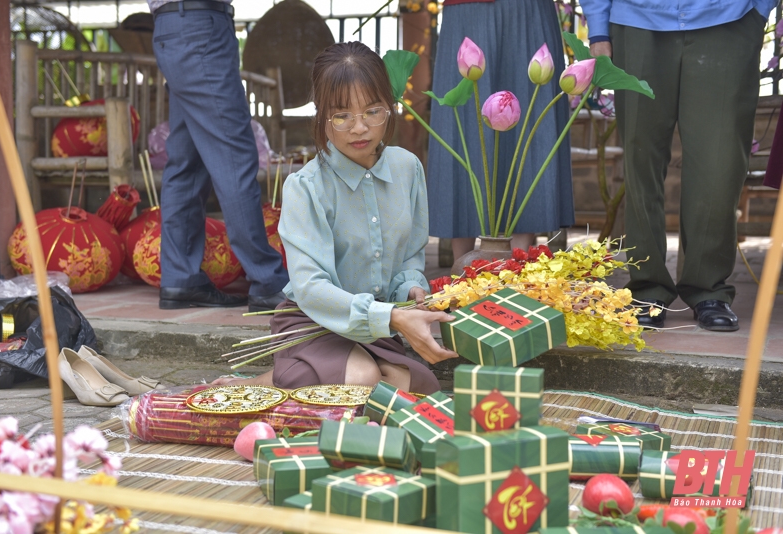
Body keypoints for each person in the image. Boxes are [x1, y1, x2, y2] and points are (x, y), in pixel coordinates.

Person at [213, 42, 458, 394]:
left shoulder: (408, 169)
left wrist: (411, 288)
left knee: (420, 388)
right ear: (321, 116)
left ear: (389, 107)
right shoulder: (305, 187)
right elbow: (311, 289)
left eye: (373, 111)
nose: (359, 128)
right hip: (313, 319)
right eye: (342, 115)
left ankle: (291, 379)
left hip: (373, 326)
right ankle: (264, 382)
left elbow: (408, 258)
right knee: (361, 381)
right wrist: (391, 317)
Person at [579, 0, 776, 331]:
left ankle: (708, 289)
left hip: (729, 21)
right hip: (637, 22)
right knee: (641, 161)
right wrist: (598, 26)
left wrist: (760, 9)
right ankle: (647, 288)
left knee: (720, 164)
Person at [150, 0, 289, 311]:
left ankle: (180, 277)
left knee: (186, 161)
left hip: (169, 25)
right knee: (234, 154)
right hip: (201, 25)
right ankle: (268, 280)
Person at [427, 0, 575, 261]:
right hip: (467, 8)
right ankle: (464, 266)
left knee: (530, 114)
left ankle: (517, 262)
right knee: (464, 118)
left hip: (529, 10)